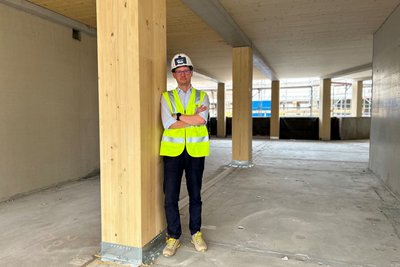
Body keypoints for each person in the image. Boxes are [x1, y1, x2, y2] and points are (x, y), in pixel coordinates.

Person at [160, 53, 210, 257]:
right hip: (173, 153)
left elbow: (201, 121)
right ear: (174, 75)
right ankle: (173, 237)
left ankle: (196, 233)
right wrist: (191, 117)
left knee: (195, 195)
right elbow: (168, 124)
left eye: (186, 70)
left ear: (191, 72)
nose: (183, 74)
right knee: (170, 196)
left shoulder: (202, 96)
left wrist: (179, 116)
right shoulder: (166, 97)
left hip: (196, 152)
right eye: (178, 71)